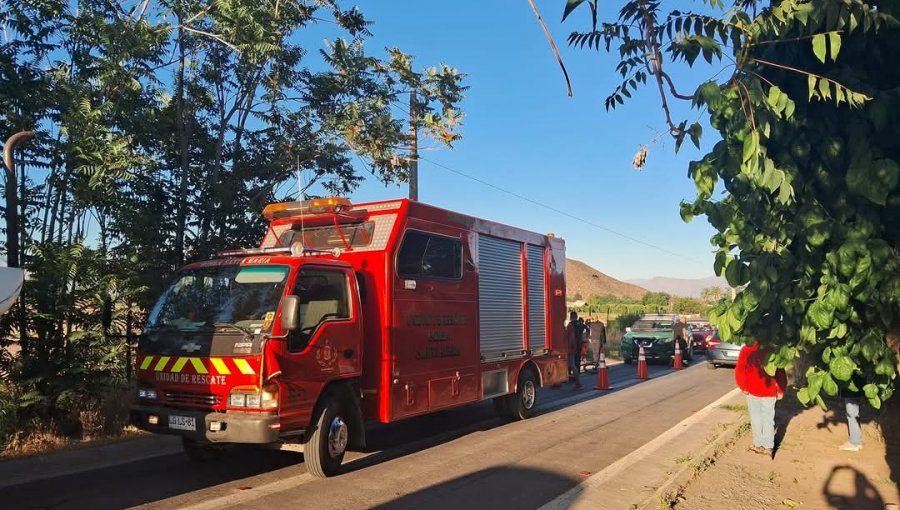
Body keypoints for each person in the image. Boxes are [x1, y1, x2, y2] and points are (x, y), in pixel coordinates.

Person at [735, 341, 787, 456]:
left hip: (752, 390)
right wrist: (781, 389)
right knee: (768, 418)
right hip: (769, 391)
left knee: (756, 418)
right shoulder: (774, 349)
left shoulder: (746, 349)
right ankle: (768, 447)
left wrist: (743, 386)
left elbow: (740, 369)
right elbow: (780, 371)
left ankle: (758, 444)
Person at [840, 372, 866, 452]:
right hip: (859, 385)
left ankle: (855, 442)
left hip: (851, 388)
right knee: (854, 414)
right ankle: (857, 440)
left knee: (851, 414)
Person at [566, 311, 583, 389]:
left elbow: (571, 337)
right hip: (578, 345)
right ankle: (576, 378)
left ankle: (575, 380)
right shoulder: (580, 324)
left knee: (571, 364)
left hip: (571, 346)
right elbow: (586, 328)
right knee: (577, 362)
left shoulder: (570, 325)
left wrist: (569, 346)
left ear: (571, 316)